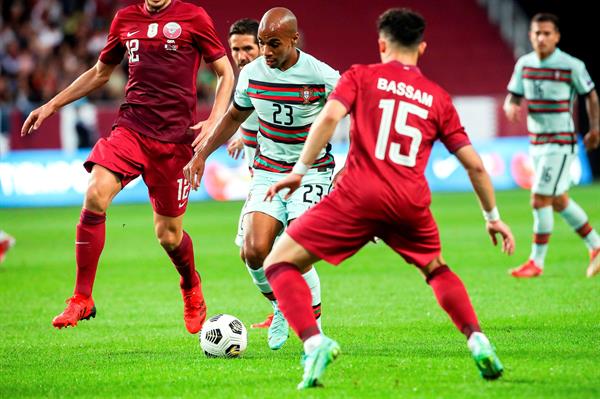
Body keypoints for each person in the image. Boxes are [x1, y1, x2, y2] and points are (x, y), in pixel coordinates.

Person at [262, 8, 516, 389]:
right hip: (409, 203)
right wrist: (492, 215)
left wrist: (299, 169)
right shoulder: (437, 98)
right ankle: (478, 340)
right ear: (422, 47)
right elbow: (476, 166)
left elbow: (329, 118)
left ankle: (315, 343)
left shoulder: (361, 76)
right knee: (437, 270)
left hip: (358, 196)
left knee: (279, 262)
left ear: (381, 44)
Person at [20, 0, 234, 333]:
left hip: (175, 141)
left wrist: (214, 120)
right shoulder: (124, 19)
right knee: (95, 193)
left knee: (168, 236)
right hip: (131, 129)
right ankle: (81, 297)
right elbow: (100, 73)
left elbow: (225, 72)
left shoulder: (193, 16)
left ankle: (191, 283)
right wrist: (51, 105)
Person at [185, 7, 338, 350]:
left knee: (295, 247)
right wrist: (201, 155)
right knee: (253, 252)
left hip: (310, 171)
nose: (266, 52)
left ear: (293, 40)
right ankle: (281, 305)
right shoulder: (253, 74)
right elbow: (234, 116)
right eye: (262, 44)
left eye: (274, 45)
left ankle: (314, 329)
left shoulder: (321, 75)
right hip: (268, 170)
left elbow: (357, 110)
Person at [504, 13, 600, 278]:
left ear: (556, 36)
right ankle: (596, 246)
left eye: (547, 33)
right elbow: (513, 94)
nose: (541, 38)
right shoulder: (525, 64)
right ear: (530, 35)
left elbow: (590, 95)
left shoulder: (571, 65)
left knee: (539, 198)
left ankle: (536, 261)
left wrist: (595, 128)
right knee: (558, 200)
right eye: (537, 33)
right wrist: (510, 105)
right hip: (537, 144)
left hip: (560, 143)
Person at [224, 18, 274, 329]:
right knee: (251, 253)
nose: (241, 56)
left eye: (247, 48)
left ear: (262, 47)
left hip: (281, 179)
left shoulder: (273, 78)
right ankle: (282, 306)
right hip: (260, 179)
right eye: (235, 49)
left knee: (262, 251)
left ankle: (291, 310)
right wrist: (244, 134)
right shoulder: (245, 81)